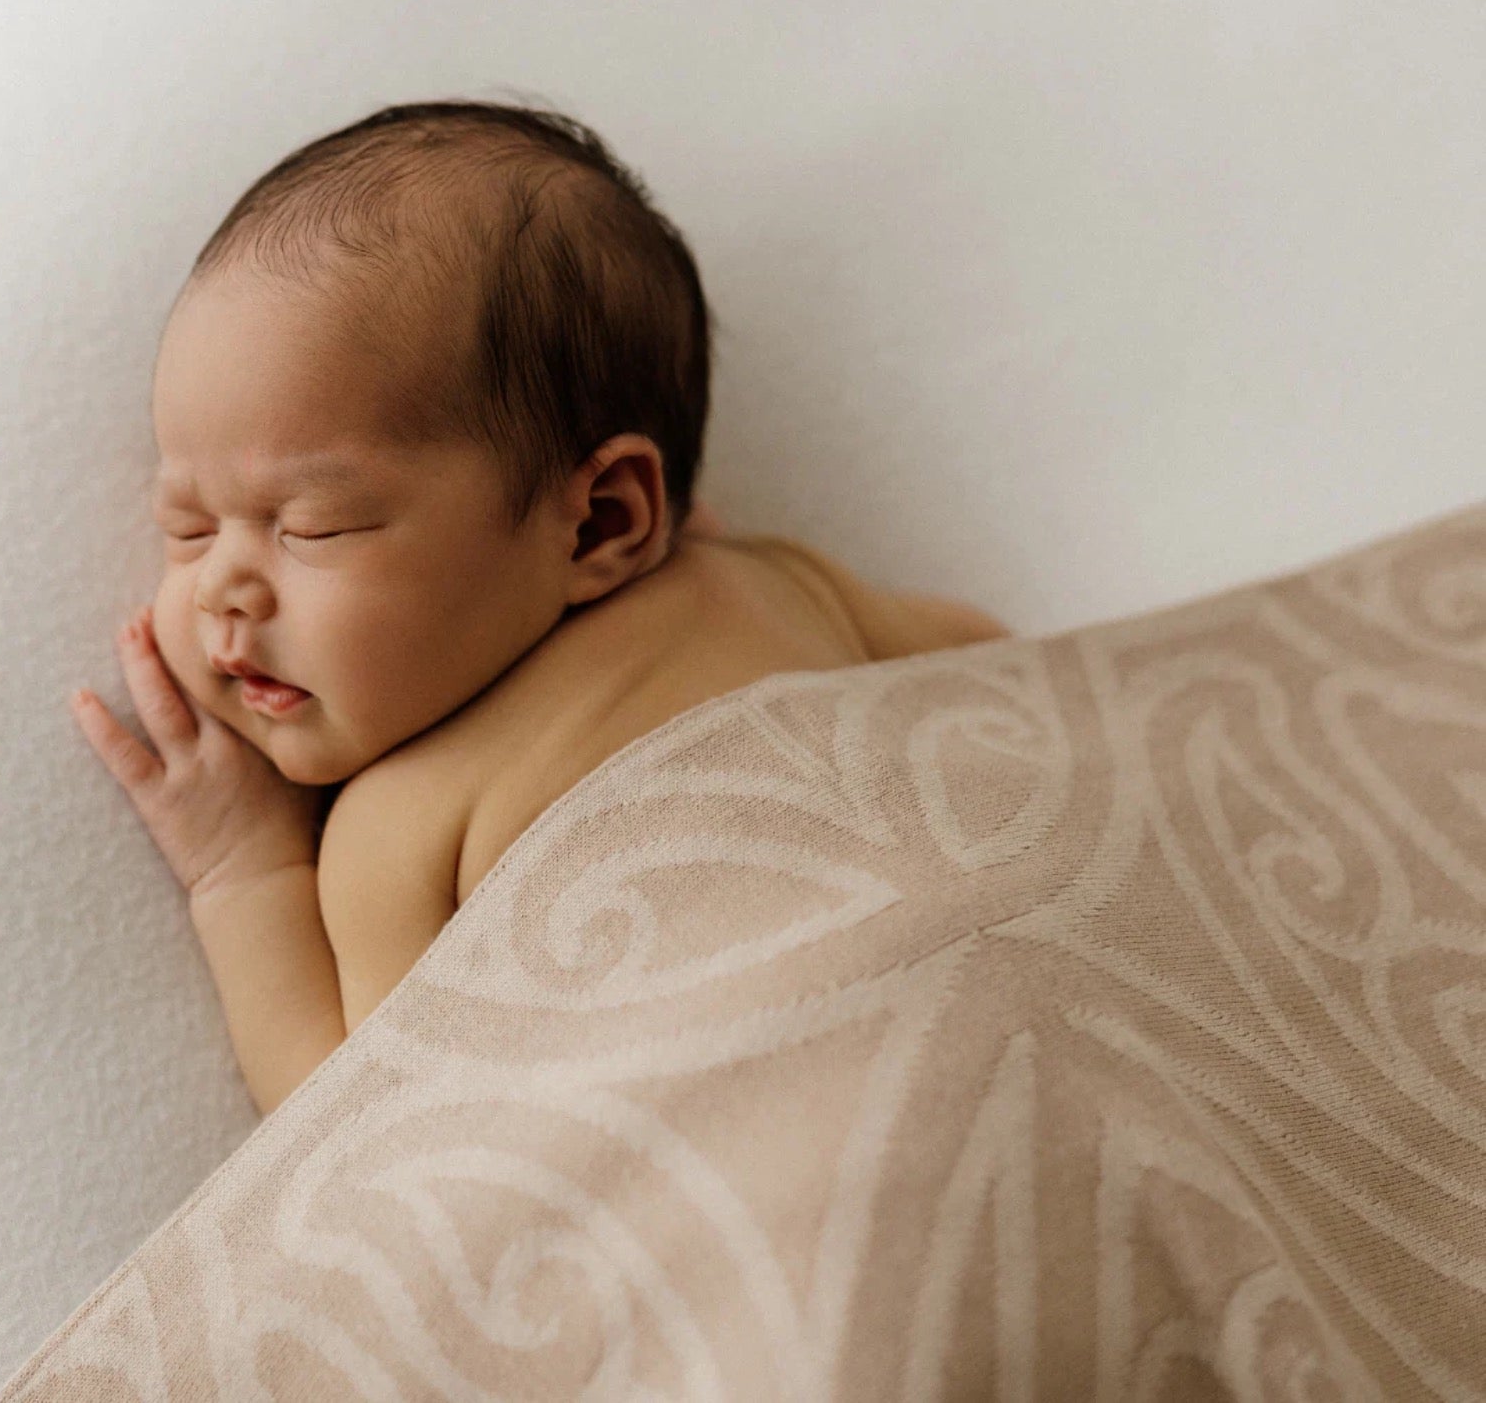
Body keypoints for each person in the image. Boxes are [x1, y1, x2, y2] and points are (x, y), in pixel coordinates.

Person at [69, 99, 1011, 1115]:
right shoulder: (779, 584)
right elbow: (1001, 674)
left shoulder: (397, 835)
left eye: (316, 526)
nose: (220, 591)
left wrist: (246, 876)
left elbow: (352, 1134)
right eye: (188, 528)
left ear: (604, 522)